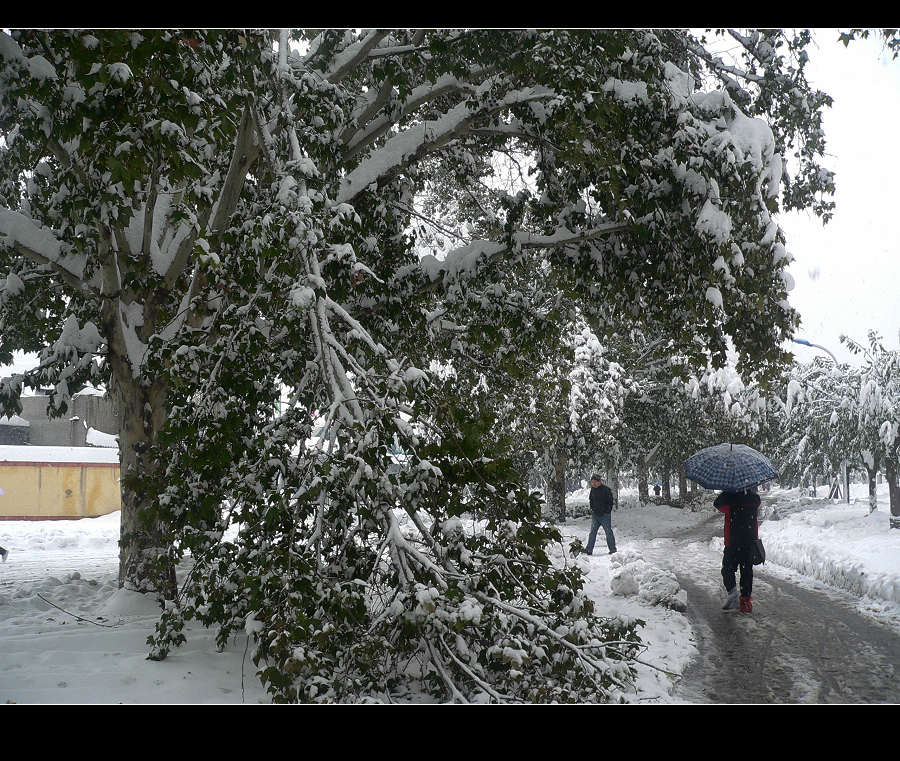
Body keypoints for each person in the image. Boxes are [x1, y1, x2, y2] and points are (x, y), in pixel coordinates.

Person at [714, 487, 761, 613]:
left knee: (727, 569)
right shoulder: (753, 498)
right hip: (749, 540)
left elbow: (718, 505)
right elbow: (757, 504)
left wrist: (727, 491)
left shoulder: (729, 497)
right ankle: (745, 602)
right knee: (746, 571)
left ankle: (733, 593)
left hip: (733, 541)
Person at [585, 473, 616, 556]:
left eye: (595, 482)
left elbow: (610, 502)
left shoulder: (606, 490)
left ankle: (613, 549)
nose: (593, 484)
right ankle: (589, 549)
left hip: (605, 515)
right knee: (592, 533)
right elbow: (591, 500)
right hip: (595, 515)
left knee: (608, 532)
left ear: (599, 482)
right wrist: (592, 509)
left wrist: (607, 511)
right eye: (592, 482)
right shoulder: (593, 490)